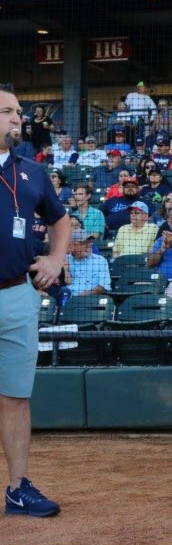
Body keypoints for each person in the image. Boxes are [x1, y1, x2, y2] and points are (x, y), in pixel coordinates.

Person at [0, 85, 69, 517]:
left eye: (18, 112)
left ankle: (17, 488)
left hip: (16, 296)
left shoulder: (31, 172)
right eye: (7, 112)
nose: (17, 119)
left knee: (15, 397)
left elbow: (60, 219)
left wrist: (56, 258)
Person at [63, 229, 111, 296]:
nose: (89, 245)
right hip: (67, 300)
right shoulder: (63, 260)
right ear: (72, 246)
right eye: (84, 243)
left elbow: (102, 287)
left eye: (90, 241)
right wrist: (65, 269)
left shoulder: (100, 261)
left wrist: (79, 297)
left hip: (91, 300)